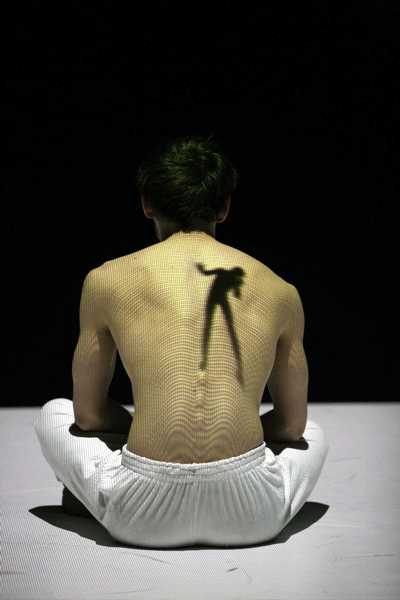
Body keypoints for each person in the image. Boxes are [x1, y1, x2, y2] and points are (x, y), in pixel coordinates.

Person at [35, 134, 328, 548]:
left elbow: (88, 416)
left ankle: (95, 495)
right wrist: (235, 433)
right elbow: (291, 426)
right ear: (224, 207)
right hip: (251, 515)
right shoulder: (281, 290)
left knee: (55, 413)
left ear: (146, 204)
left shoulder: (105, 279)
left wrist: (152, 427)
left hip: (140, 515)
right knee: (313, 431)